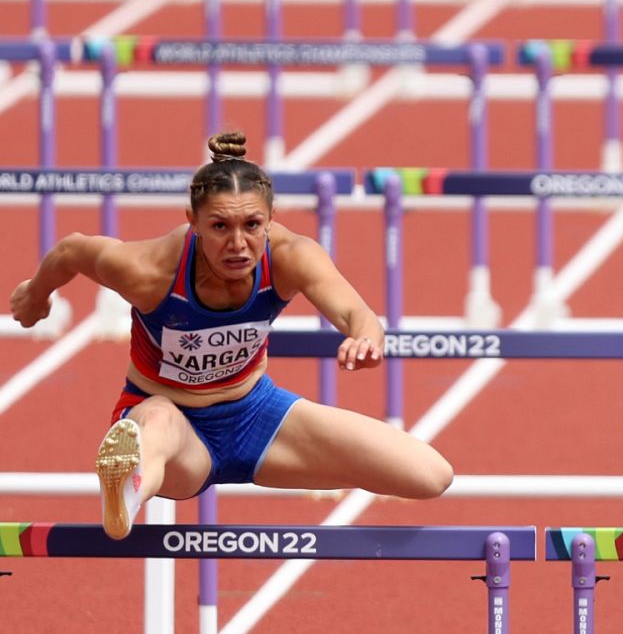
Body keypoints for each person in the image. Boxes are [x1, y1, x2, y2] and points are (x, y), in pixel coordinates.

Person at [8, 131, 454, 539]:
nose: (238, 244)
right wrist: (36, 293)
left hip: (257, 416)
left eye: (252, 226)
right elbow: (72, 250)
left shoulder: (292, 256)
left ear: (271, 219)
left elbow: (358, 313)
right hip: (178, 430)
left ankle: (136, 474)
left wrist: (364, 337)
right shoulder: (149, 271)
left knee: (428, 475)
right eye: (220, 227)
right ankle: (128, 486)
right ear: (194, 222)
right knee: (158, 419)